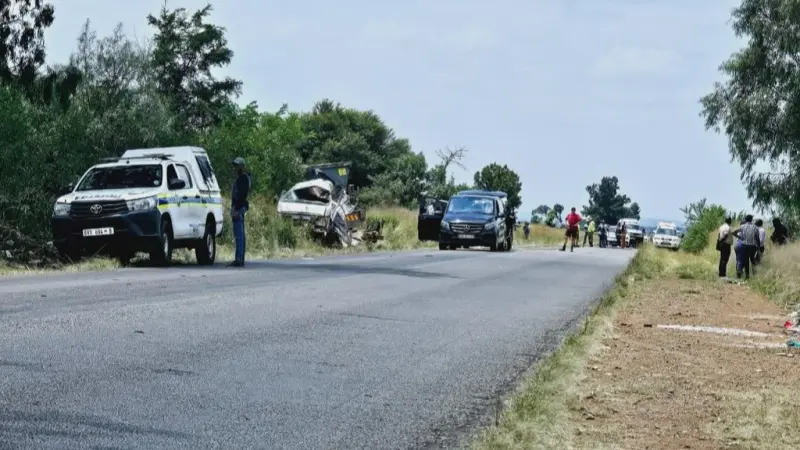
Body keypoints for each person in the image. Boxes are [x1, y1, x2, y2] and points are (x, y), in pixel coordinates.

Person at [229, 157, 252, 267]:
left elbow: (242, 195)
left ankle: (239, 259)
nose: (234, 168)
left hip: (239, 208)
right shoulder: (242, 178)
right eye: (234, 166)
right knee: (240, 234)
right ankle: (239, 258)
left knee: (239, 235)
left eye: (236, 166)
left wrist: (236, 209)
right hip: (239, 207)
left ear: (242, 166)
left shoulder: (243, 178)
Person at [732, 214, 760, 279]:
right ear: (751, 220)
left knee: (745, 260)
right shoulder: (755, 227)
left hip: (744, 246)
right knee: (752, 260)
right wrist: (758, 248)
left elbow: (733, 232)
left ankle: (745, 275)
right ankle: (754, 275)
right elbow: (757, 238)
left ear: (745, 219)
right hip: (753, 247)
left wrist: (740, 237)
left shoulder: (742, 226)